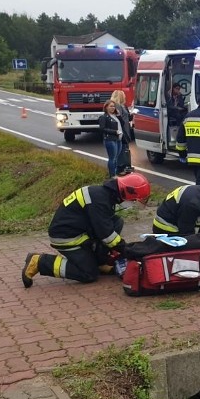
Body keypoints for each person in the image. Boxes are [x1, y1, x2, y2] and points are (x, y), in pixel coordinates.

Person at [21, 173, 151, 287]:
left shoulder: (103, 194)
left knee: (116, 222)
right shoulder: (100, 201)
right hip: (67, 238)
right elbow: (106, 235)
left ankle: (100, 262)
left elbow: (103, 227)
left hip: (80, 230)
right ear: (126, 192)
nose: (133, 203)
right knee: (89, 273)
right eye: (134, 200)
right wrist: (127, 250)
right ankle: (40, 262)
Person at [151, 184, 200, 249]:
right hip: (166, 229)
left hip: (182, 221)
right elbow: (187, 234)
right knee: (193, 247)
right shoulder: (192, 204)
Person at [98, 100, 123, 179]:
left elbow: (123, 124)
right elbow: (102, 129)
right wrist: (114, 132)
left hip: (118, 139)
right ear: (106, 107)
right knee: (112, 158)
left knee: (116, 157)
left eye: (113, 106)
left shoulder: (115, 116)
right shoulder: (104, 117)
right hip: (110, 139)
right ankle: (112, 175)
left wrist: (119, 116)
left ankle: (115, 173)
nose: (113, 108)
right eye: (111, 106)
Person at [110, 90, 133, 176]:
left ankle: (124, 167)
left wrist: (132, 115)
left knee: (125, 149)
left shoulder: (123, 106)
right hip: (122, 131)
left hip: (126, 130)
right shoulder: (117, 106)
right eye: (124, 96)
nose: (125, 97)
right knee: (121, 150)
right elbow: (118, 120)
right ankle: (120, 169)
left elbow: (127, 118)